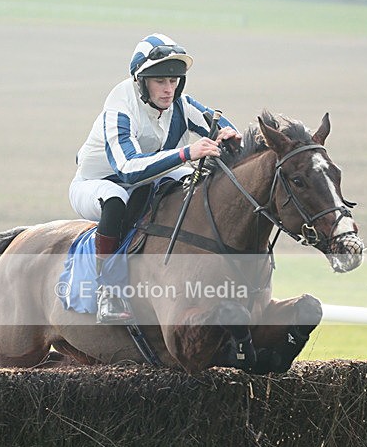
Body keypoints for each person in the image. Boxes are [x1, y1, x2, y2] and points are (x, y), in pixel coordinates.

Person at [69, 33, 241, 323]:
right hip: (100, 183)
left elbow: (220, 125)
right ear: (141, 82)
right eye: (160, 81)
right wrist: (186, 152)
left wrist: (229, 136)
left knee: (192, 182)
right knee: (116, 199)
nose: (168, 89)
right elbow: (128, 168)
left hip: (146, 178)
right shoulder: (119, 107)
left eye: (173, 81)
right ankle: (108, 291)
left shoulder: (180, 103)